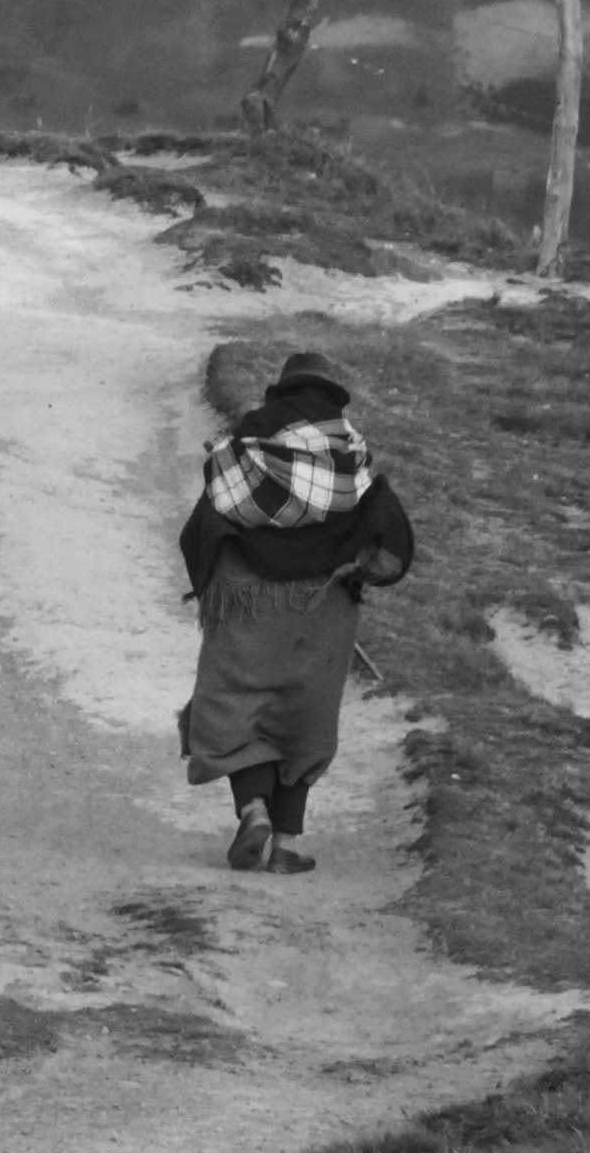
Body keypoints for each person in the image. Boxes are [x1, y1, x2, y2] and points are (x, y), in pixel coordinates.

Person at [176, 350, 415, 874]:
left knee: (237, 705)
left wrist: (213, 586)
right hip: (321, 608)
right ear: (333, 397)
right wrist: (356, 573)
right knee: (304, 719)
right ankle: (283, 844)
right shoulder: (351, 453)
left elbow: (203, 526)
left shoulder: (245, 444)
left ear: (280, 391)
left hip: (247, 600)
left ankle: (254, 811)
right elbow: (390, 540)